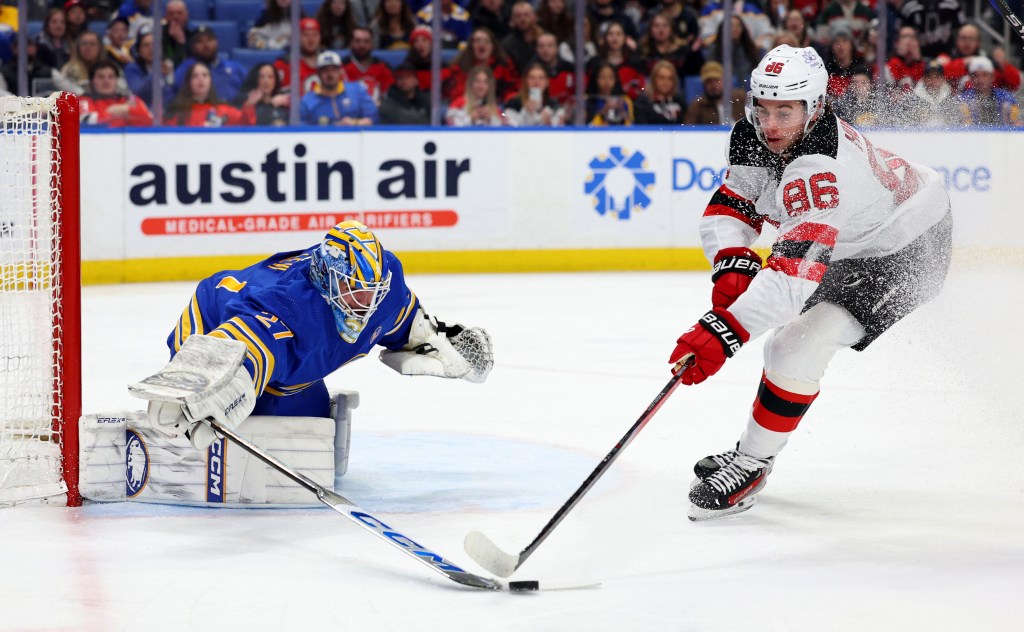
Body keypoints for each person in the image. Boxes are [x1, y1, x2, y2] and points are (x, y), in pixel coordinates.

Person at [669, 45, 951, 521]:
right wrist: (733, 261)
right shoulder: (752, 135)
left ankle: (752, 464)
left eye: (787, 110)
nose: (772, 124)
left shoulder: (820, 169)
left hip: (906, 248)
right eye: (763, 107)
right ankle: (753, 451)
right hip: (853, 240)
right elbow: (733, 205)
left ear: (815, 105)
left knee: (794, 347)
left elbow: (789, 284)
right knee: (787, 343)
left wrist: (722, 332)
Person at [142, 220, 492, 454]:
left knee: (312, 434)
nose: (363, 304)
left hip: (288, 363)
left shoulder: (385, 293)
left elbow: (405, 324)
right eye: (353, 291)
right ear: (327, 277)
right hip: (213, 316)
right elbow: (245, 342)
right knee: (220, 418)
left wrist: (439, 341)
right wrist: (204, 387)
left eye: (371, 292)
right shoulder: (293, 304)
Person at [299, 50, 378, 125]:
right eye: (325, 70)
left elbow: (373, 118)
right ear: (318, 74)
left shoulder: (357, 90)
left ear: (340, 71)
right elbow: (301, 128)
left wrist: (355, 122)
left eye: (334, 70)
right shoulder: (307, 101)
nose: (330, 74)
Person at [171, 25, 246, 104]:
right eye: (199, 41)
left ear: (217, 43)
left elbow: (251, 89)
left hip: (234, 112)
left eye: (209, 40)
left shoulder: (235, 67)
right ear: (193, 47)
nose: (206, 45)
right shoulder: (185, 69)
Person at [164, 60, 247, 126]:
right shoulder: (178, 113)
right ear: (188, 82)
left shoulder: (224, 110)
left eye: (205, 75)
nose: (200, 79)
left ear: (210, 81)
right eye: (195, 76)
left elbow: (245, 122)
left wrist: (249, 106)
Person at [79, 59, 153, 126]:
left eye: (111, 77)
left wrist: (124, 109)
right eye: (101, 77)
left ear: (116, 81)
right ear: (92, 82)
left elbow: (149, 120)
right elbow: (85, 123)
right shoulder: (83, 100)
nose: (106, 81)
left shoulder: (130, 99)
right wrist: (111, 112)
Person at [958, 56, 1022, 127]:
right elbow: (961, 124)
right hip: (973, 135)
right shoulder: (963, 99)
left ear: (992, 77)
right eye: (975, 75)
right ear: (970, 78)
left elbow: (1016, 121)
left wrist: (1014, 121)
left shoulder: (1006, 97)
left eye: (985, 75)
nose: (980, 80)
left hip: (1002, 134)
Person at [342, 26, 395, 105]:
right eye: (357, 41)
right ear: (351, 43)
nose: (362, 45)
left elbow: (391, 95)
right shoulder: (340, 67)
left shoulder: (383, 67)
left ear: (372, 44)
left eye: (366, 41)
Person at [903, 58, 961, 127]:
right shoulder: (912, 99)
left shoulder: (951, 98)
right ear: (924, 78)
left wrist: (947, 119)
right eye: (930, 77)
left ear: (943, 78)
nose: (933, 81)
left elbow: (959, 123)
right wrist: (915, 117)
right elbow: (903, 123)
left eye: (937, 77)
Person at [503, 62, 565, 126]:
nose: (536, 82)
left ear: (547, 82)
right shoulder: (514, 103)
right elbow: (504, 116)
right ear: (525, 81)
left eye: (541, 78)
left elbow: (560, 128)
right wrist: (526, 112)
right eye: (532, 78)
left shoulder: (554, 105)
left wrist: (550, 124)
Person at [683, 60, 744, 125]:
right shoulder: (697, 106)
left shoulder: (740, 99)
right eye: (709, 81)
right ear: (704, 84)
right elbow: (688, 129)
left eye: (717, 80)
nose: (713, 85)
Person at [273, 17, 323, 96]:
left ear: (320, 37)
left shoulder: (329, 62)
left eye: (315, 35)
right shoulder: (284, 63)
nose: (311, 40)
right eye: (305, 35)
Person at [633, 59, 685, 126]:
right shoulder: (643, 102)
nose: (665, 82)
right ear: (654, 79)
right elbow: (643, 129)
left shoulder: (679, 101)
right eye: (661, 77)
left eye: (670, 78)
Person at [584, 60, 633, 126]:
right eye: (602, 77)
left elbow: (631, 128)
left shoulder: (624, 101)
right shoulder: (587, 101)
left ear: (616, 79)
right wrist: (603, 113)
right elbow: (586, 129)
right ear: (595, 79)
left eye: (611, 77)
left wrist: (623, 115)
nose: (607, 82)